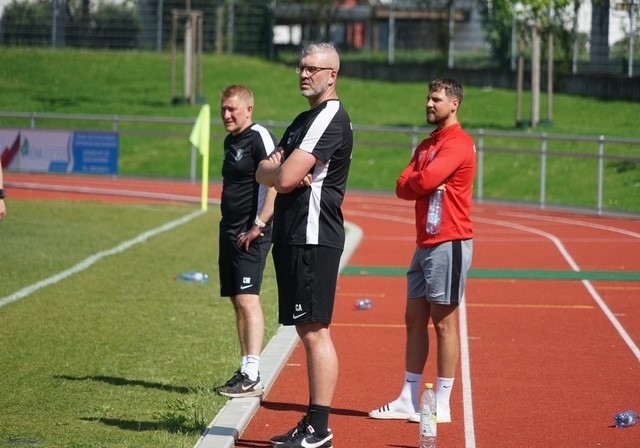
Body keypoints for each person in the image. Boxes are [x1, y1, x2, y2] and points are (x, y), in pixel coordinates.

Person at [255, 42, 353, 448]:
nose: (304, 74)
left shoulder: (329, 117)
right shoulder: (302, 120)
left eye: (313, 68)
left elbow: (282, 177)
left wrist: (282, 172)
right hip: (294, 234)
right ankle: (314, 425)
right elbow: (264, 170)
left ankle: (319, 428)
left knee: (314, 331)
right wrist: (281, 172)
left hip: (313, 236)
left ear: (332, 75)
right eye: (301, 67)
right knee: (306, 327)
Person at [369, 78, 476, 425]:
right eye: (428, 98)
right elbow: (403, 186)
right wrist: (421, 180)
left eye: (436, 99)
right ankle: (407, 397)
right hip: (424, 243)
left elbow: (422, 181)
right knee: (414, 319)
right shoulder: (428, 144)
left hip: (449, 242)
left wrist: (421, 180)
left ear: (454, 104)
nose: (429, 104)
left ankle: (442, 404)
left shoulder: (458, 143)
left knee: (444, 324)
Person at [215, 85, 278, 398]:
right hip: (229, 230)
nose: (226, 115)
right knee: (237, 299)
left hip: (253, 231)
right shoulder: (231, 141)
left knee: (247, 298)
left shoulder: (259, 137)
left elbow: (276, 182)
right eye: (223, 109)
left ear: (249, 110)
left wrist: (259, 224)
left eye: (232, 109)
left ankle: (252, 374)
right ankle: (245, 369)